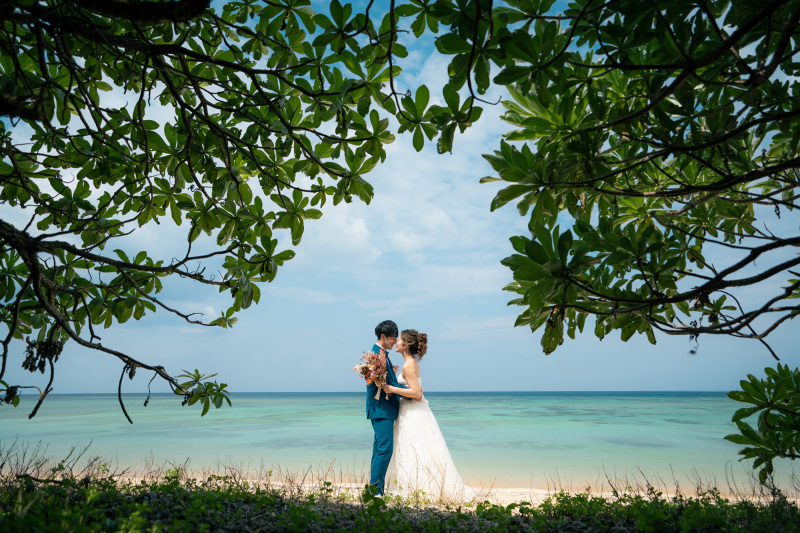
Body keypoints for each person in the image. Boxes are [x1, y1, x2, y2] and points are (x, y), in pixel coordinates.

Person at [381, 329, 476, 502]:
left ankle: (416, 487)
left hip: (411, 412)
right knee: (414, 448)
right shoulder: (410, 363)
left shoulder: (408, 364)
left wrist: (391, 388)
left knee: (412, 447)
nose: (397, 342)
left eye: (400, 340)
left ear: (407, 344)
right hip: (411, 410)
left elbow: (416, 393)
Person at [365, 320, 421, 496]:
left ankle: (373, 489)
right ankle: (377, 492)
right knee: (385, 449)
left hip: (383, 409)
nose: (394, 342)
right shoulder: (376, 354)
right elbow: (385, 385)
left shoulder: (382, 354)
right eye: (393, 339)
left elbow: (388, 381)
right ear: (384, 337)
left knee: (379, 449)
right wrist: (412, 392)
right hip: (382, 409)